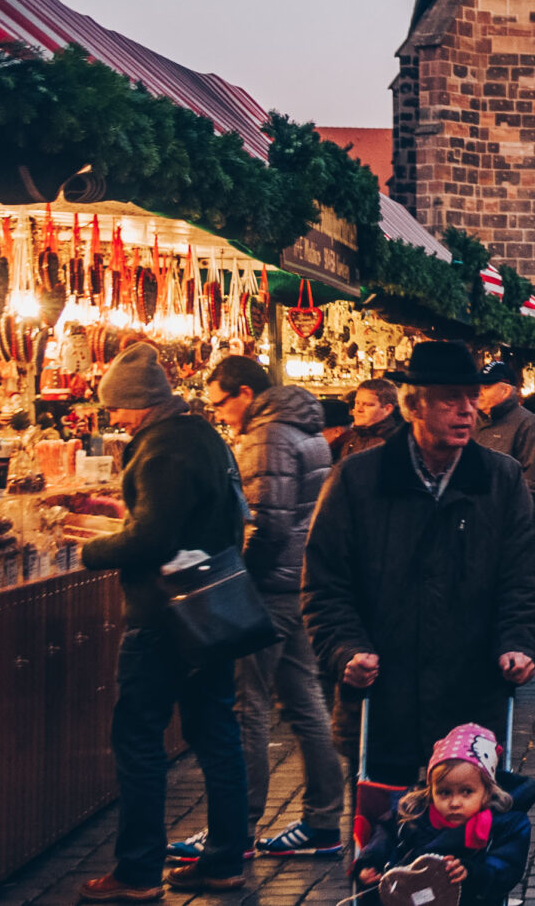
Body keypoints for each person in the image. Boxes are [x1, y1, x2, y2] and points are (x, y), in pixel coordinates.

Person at [303, 342, 535, 803]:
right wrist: (345, 649)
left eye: (472, 398)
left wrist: (518, 642)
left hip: (472, 687)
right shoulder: (357, 479)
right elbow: (325, 582)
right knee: (381, 835)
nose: (466, 410)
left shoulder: (501, 479)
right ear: (415, 405)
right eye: (450, 398)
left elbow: (522, 579)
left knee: (465, 842)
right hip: (385, 688)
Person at [72, 343, 253, 901]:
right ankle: (225, 860)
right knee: (217, 733)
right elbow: (199, 516)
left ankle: (138, 870)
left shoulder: (160, 448)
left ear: (140, 403)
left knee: (139, 739)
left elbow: (154, 538)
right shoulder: (201, 434)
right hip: (214, 610)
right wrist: (119, 513)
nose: (115, 419)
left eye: (118, 409)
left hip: (165, 617)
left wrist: (93, 550)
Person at [184, 356, 345, 863]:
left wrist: (240, 580)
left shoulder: (267, 435)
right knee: (304, 701)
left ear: (245, 394)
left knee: (247, 707)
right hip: (300, 584)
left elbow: (268, 523)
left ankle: (235, 827)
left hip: (270, 589)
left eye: (220, 403)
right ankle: (322, 821)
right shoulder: (305, 428)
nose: (219, 414)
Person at [348, 723, 535, 906]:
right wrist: (369, 863)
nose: (455, 803)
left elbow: (507, 868)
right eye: (444, 792)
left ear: (487, 792)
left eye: (466, 792)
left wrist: (472, 873)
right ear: (431, 791)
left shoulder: (505, 824)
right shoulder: (413, 814)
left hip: (471, 897)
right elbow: (384, 837)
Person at [471, 363, 535, 513]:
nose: (479, 391)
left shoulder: (528, 424)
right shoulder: (471, 419)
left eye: (486, 387)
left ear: (506, 390)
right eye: (478, 386)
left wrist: (494, 504)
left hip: (504, 519)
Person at [333, 377, 403, 465]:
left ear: (387, 409)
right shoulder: (351, 438)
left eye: (368, 405)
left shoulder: (392, 443)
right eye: (357, 403)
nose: (359, 409)